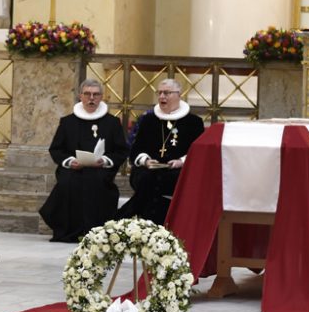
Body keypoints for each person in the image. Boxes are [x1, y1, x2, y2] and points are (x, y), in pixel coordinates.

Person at [39, 79, 129, 242]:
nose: (91, 98)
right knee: (68, 183)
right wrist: (69, 161)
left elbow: (121, 151)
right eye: (87, 94)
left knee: (96, 181)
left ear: (102, 97)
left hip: (100, 170)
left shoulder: (112, 122)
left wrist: (105, 160)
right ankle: (68, 231)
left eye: (95, 94)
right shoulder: (67, 122)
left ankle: (96, 231)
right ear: (80, 96)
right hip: (74, 168)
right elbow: (56, 149)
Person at [118, 78, 205, 225]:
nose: (162, 97)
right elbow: (136, 148)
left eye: (167, 93)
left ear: (179, 95)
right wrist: (145, 160)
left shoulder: (194, 122)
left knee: (163, 181)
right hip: (149, 167)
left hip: (177, 169)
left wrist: (181, 161)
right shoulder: (149, 120)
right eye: (160, 93)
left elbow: (199, 152)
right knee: (146, 178)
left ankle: (141, 220)